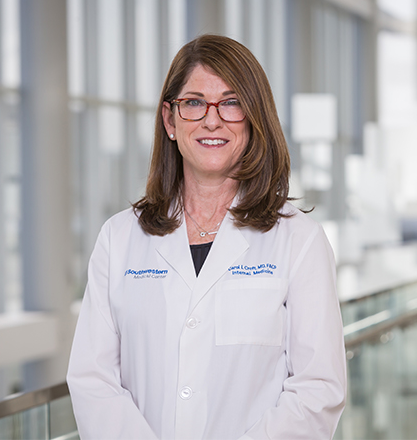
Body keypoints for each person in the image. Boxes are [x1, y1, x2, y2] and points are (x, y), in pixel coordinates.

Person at [67, 34, 346, 440]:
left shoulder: (298, 240)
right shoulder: (119, 238)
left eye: (231, 103)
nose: (211, 120)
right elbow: (93, 380)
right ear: (170, 120)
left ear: (254, 120)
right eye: (194, 102)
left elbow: (318, 388)